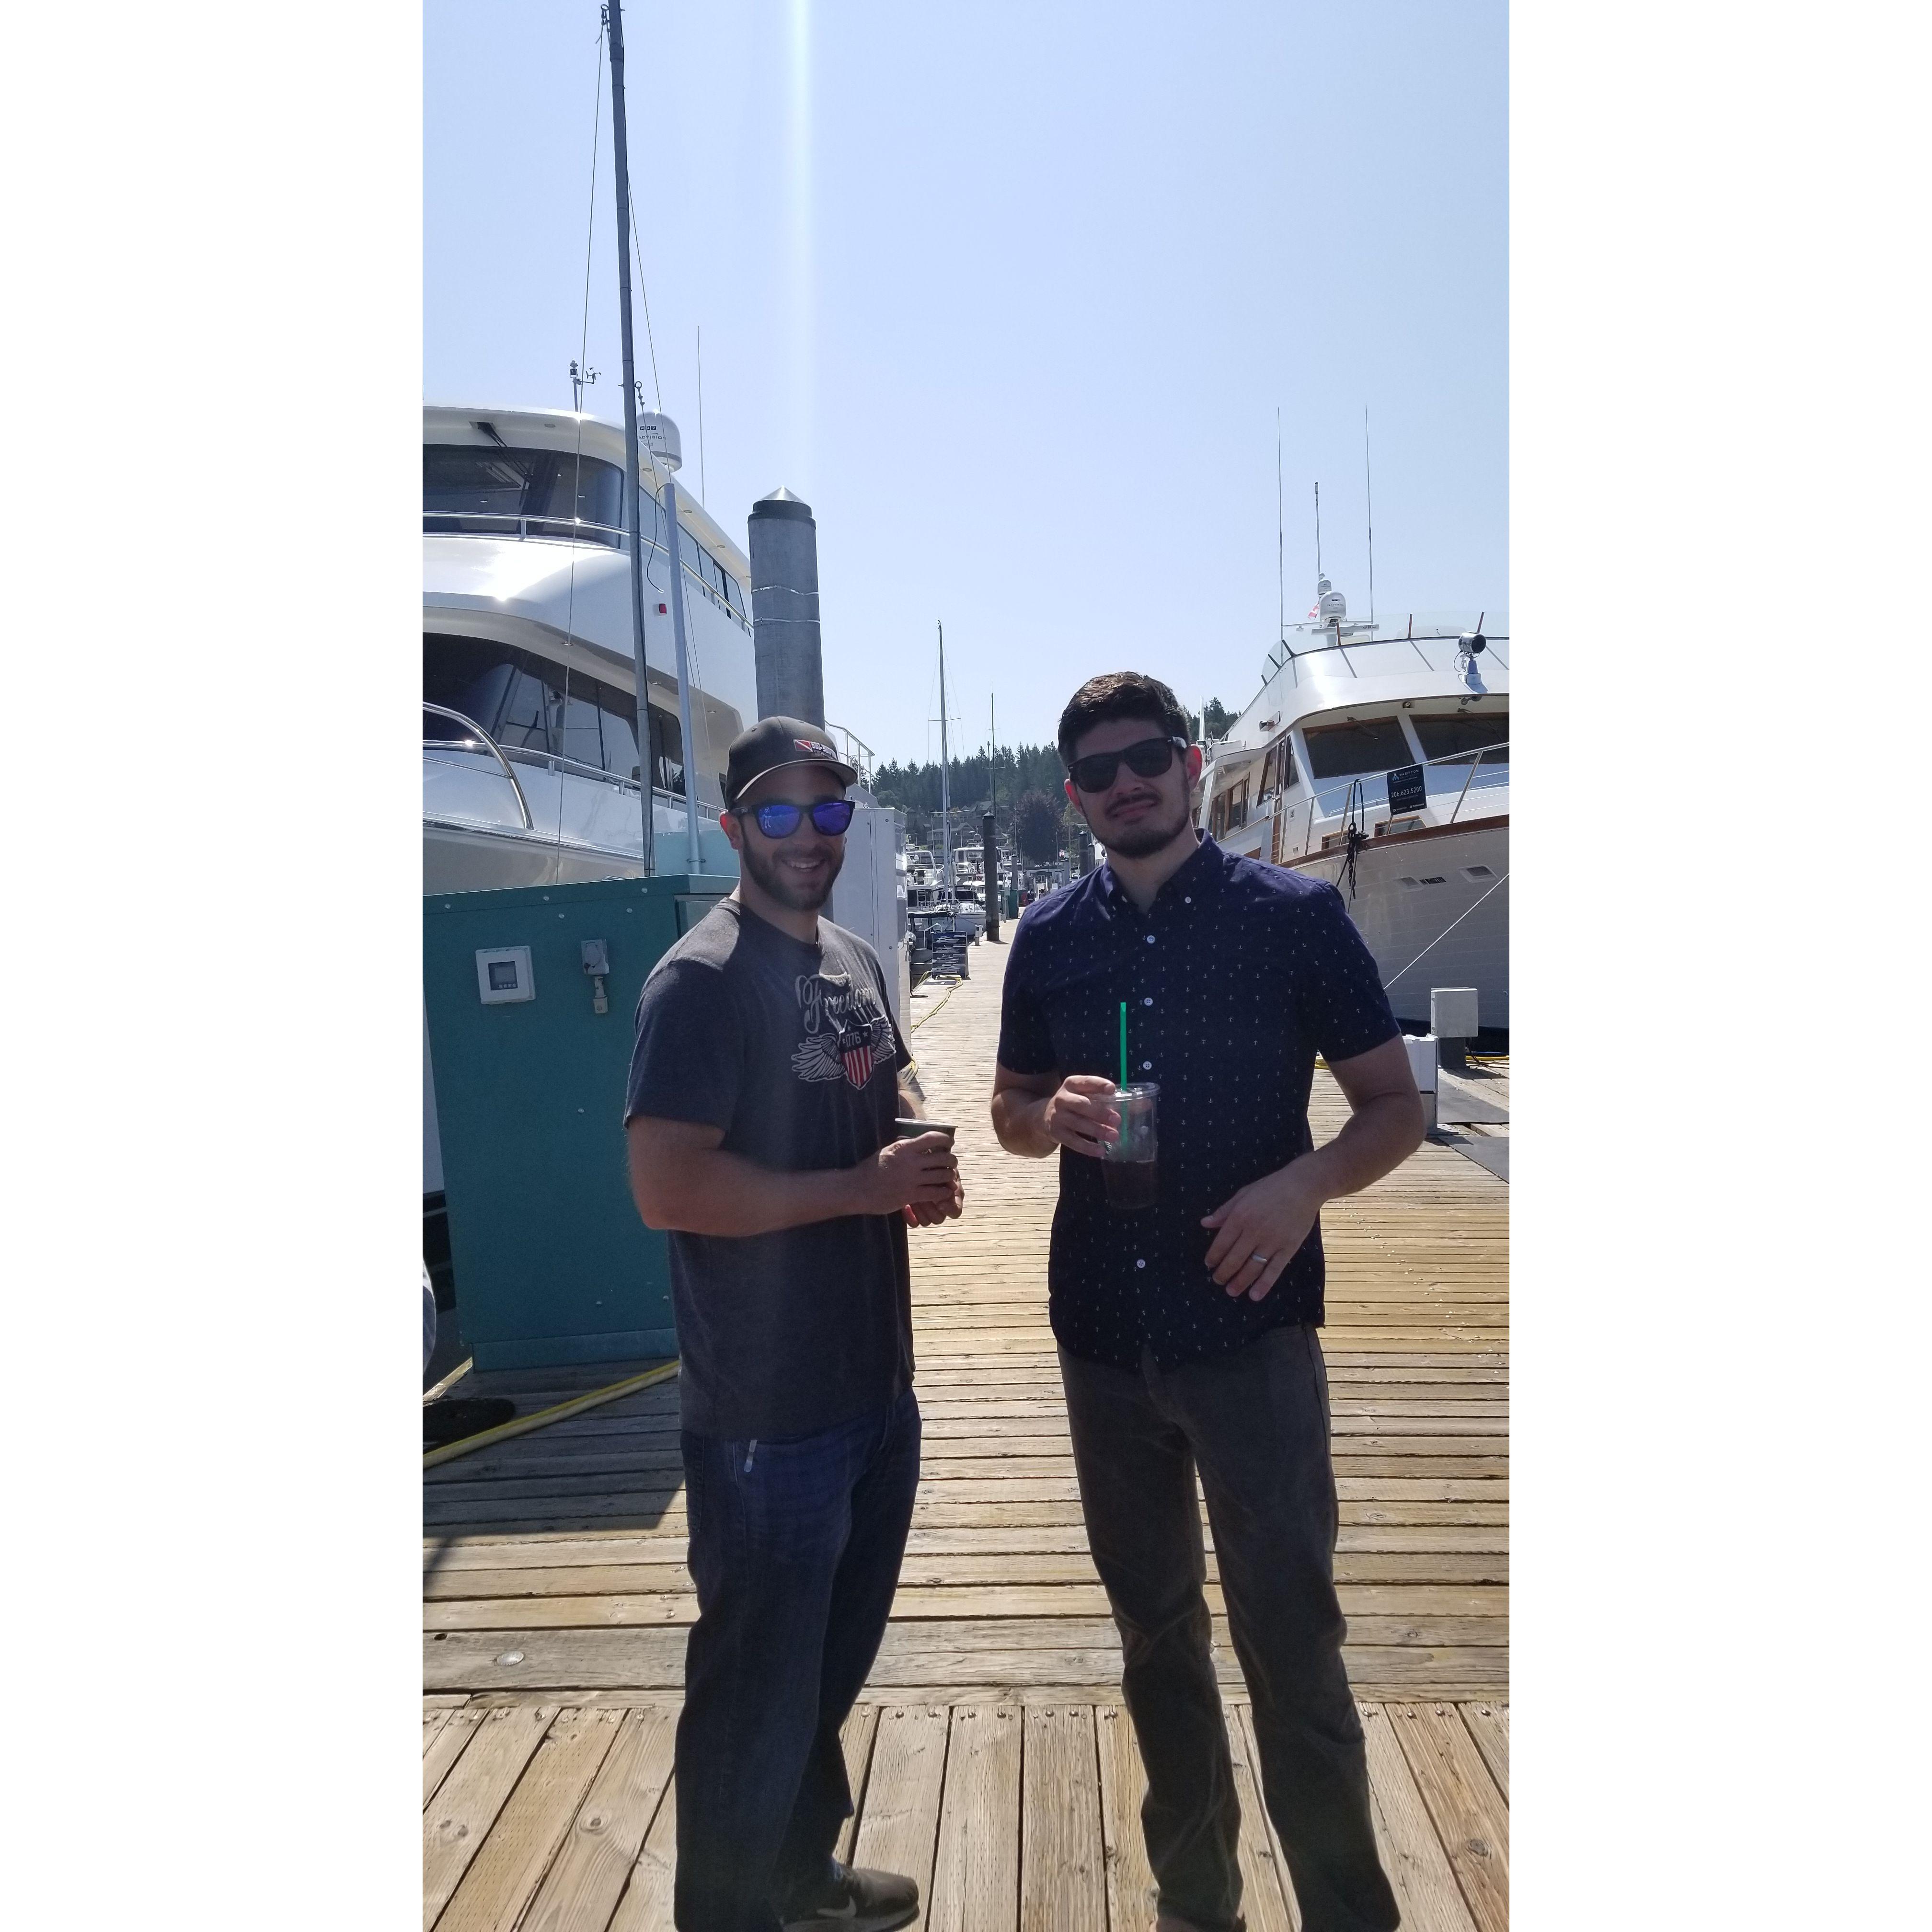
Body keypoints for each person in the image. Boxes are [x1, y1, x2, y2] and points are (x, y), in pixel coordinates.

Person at [990, 673, 1424, 1932]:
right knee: (1157, 1643)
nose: (1127, 784)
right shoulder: (1053, 937)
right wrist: (1043, 1120)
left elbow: (1395, 1107)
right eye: (1099, 772)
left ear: (1189, 764)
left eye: (1146, 759)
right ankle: (1199, 1902)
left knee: (1294, 1645)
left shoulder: (1295, 916)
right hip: (1106, 1343)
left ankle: (1350, 1912)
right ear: (1077, 795)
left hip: (1252, 1335)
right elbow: (1012, 1111)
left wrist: (1303, 1189)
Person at [625, 716, 963, 1932]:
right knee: (751, 1691)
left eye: (829, 811)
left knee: (820, 1674)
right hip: (767, 1419)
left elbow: (890, 1084)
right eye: (780, 813)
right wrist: (856, 1190)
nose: (809, 834)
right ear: (735, 829)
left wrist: (915, 1154)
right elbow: (668, 1187)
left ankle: (799, 1882)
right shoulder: (700, 981)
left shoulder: (859, 960)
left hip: (875, 1391)